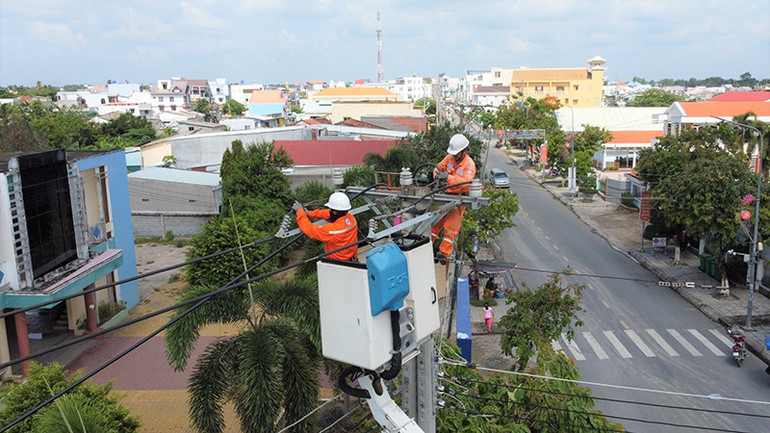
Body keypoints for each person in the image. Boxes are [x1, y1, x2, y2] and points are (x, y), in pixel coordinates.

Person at [431, 133, 476, 264]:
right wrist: (436, 174)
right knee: (435, 223)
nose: (455, 156)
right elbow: (439, 166)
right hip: (445, 196)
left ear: (464, 151)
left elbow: (466, 182)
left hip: (459, 200)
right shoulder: (450, 158)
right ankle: (426, 245)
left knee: (451, 228)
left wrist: (448, 178)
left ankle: (444, 253)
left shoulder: (469, 165)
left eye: (457, 153)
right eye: (454, 153)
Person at [293, 192, 358, 261]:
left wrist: (300, 212)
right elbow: (329, 213)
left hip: (338, 263)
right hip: (352, 258)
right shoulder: (351, 218)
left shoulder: (332, 231)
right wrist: (311, 213)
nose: (329, 211)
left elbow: (309, 229)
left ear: (335, 212)